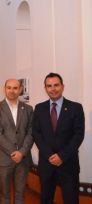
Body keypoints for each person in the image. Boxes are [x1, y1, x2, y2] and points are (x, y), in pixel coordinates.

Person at [32, 73, 84, 204]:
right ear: (45, 88)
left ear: (62, 86)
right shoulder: (39, 108)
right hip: (46, 164)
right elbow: (36, 134)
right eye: (49, 86)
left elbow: (78, 135)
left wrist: (61, 156)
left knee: (71, 200)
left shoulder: (75, 108)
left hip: (68, 164)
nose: (53, 89)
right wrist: (50, 155)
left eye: (56, 85)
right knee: (46, 199)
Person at [0, 79, 34, 204]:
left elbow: (31, 133)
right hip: (4, 158)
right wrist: (14, 152)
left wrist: (21, 152)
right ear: (4, 89)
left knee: (20, 194)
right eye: (9, 87)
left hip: (23, 158)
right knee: (5, 194)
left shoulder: (28, 109)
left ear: (20, 90)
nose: (12, 91)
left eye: (15, 88)